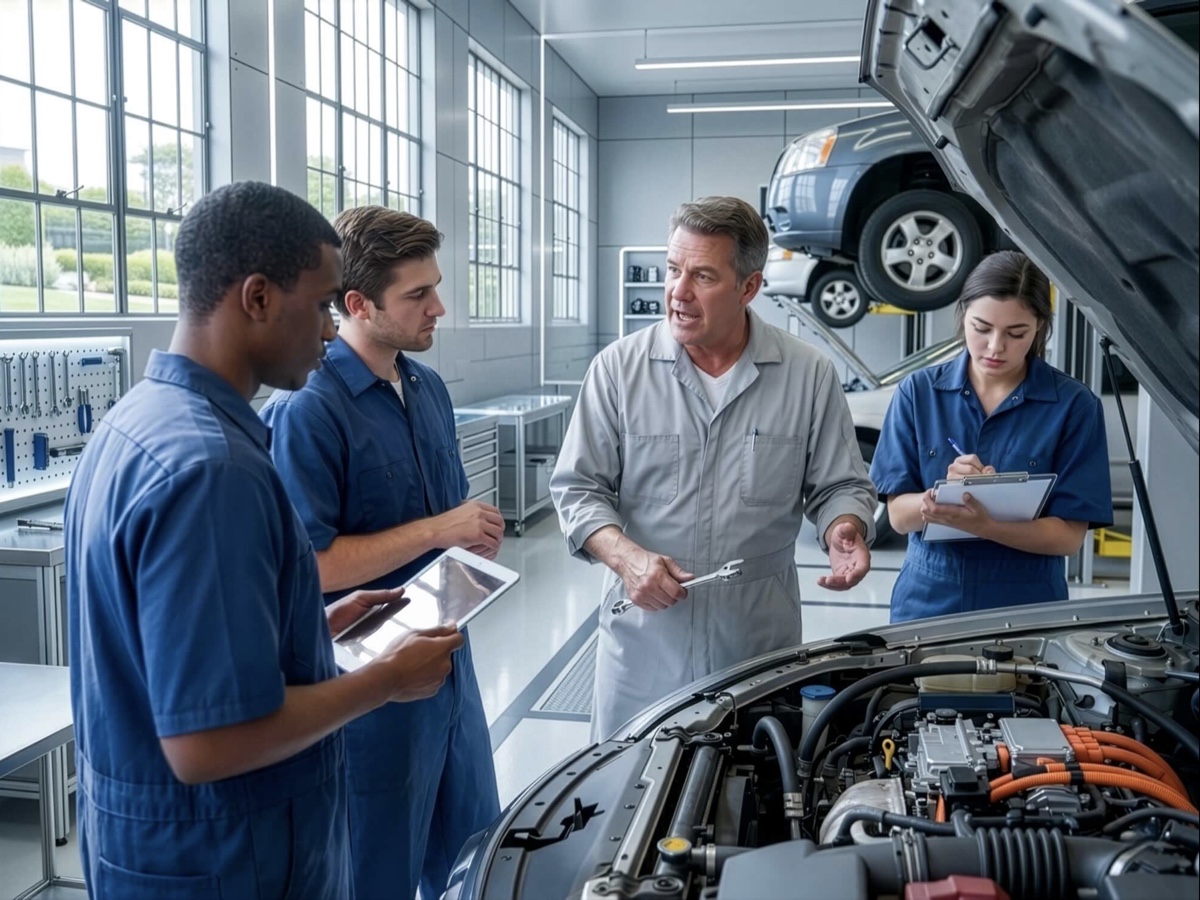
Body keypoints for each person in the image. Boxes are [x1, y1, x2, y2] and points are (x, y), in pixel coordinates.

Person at [63, 182, 465, 899]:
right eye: (322, 306)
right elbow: (207, 742)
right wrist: (385, 679)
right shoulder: (211, 469)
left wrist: (306, 626)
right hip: (221, 858)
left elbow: (174, 644)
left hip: (163, 845)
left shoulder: (138, 423)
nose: (330, 331)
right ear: (257, 298)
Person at [550, 195, 878, 741]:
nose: (678, 292)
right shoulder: (619, 370)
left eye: (702, 276)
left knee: (753, 778)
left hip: (755, 642)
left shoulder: (807, 375)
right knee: (631, 782)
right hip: (645, 639)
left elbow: (840, 483)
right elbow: (578, 489)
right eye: (672, 270)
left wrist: (844, 526)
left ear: (749, 288)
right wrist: (627, 558)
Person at [261, 205, 502, 900]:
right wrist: (437, 530)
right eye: (417, 295)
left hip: (448, 665)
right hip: (369, 692)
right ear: (358, 304)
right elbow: (308, 567)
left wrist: (470, 534)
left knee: (473, 858)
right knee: (376, 872)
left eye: (436, 287)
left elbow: (448, 519)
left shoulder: (427, 389)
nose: (439, 308)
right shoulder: (309, 409)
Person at [870, 250, 1114, 623]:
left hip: (1027, 604)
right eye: (981, 328)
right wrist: (939, 498)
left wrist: (987, 526)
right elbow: (899, 517)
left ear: (1039, 327)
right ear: (963, 314)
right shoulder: (917, 393)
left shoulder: (1074, 406)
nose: (995, 346)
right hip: (929, 600)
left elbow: (1068, 538)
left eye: (1016, 333)